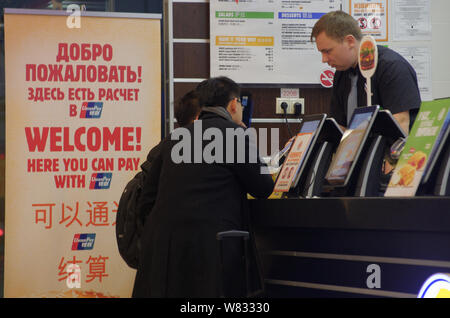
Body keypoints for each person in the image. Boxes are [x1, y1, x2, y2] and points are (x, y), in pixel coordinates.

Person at [132, 76, 274, 297]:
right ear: (234, 103)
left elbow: (147, 198)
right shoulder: (235, 136)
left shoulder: (174, 138)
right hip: (210, 250)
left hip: (162, 250)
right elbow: (264, 188)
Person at [311, 10, 421, 134]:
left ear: (350, 41)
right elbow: (340, 127)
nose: (324, 59)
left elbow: (400, 124)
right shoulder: (341, 73)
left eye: (328, 51)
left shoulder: (392, 67)